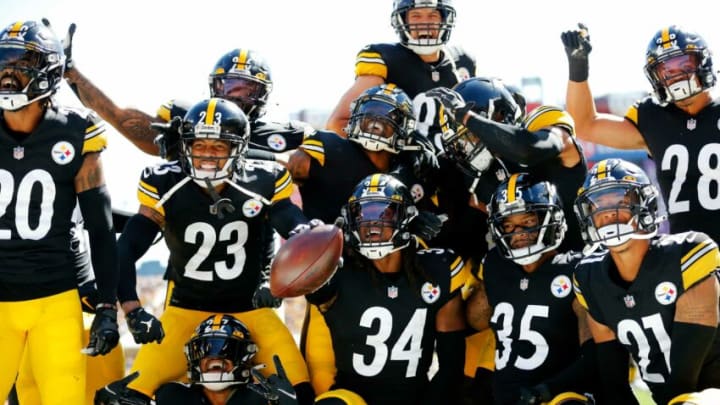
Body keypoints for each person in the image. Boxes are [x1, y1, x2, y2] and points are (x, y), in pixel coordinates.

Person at [94, 98, 315, 405]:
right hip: (186, 310)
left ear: (237, 149)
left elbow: (287, 219)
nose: (207, 156)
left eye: (217, 147)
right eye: (199, 145)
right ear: (185, 147)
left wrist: (303, 232)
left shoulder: (263, 180)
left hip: (252, 309)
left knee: (300, 396)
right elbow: (127, 247)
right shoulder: (165, 182)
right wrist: (132, 311)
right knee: (128, 397)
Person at [0, 20, 120, 405]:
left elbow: (100, 229)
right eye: (3, 63)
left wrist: (106, 305)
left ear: (48, 69)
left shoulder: (77, 131)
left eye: (21, 64)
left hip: (56, 297)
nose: (7, 74)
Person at [306, 173, 469, 404]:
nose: (370, 222)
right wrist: (313, 242)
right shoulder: (337, 270)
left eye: (382, 212)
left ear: (405, 217)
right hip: (351, 398)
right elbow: (309, 284)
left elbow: (451, 368)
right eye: (362, 214)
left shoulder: (436, 270)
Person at [572, 158, 720, 405]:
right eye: (597, 203)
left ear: (645, 203)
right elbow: (613, 383)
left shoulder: (687, 255)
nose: (607, 210)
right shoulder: (589, 278)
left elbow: (684, 380)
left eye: (619, 199)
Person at [562, 24, 720, 243]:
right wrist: (578, 66)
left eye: (683, 65)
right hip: (686, 252)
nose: (675, 76)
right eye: (666, 70)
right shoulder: (654, 117)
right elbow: (585, 125)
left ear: (703, 63)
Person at [465, 173, 596, 405]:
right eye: (508, 225)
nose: (518, 233)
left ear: (551, 218)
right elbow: (476, 320)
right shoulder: (495, 265)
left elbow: (594, 354)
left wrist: (544, 391)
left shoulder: (576, 269)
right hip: (504, 396)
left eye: (527, 222)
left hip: (560, 398)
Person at [427, 78, 587, 252]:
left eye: (470, 136)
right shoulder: (475, 175)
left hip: (577, 261)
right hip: (524, 271)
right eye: (460, 142)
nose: (466, 148)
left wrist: (467, 117)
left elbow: (527, 149)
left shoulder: (542, 130)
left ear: (500, 116)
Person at [325, 0, 475, 143]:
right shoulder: (385, 59)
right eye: (416, 16)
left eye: (433, 15)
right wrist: (398, 147)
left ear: (445, 19)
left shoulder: (461, 62)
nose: (425, 23)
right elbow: (338, 124)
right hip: (400, 165)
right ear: (402, 20)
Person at [154, 314, 298, 405]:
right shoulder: (173, 396)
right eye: (206, 350)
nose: (215, 357)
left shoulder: (263, 398)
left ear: (245, 356)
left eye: (228, 349)